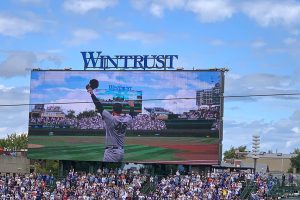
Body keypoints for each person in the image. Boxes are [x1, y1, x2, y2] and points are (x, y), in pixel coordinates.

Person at [87, 86, 134, 162]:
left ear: (113, 110)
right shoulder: (126, 119)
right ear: (121, 111)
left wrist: (91, 93)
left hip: (111, 152)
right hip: (121, 152)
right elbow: (131, 115)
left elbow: (99, 106)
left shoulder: (111, 119)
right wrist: (132, 106)